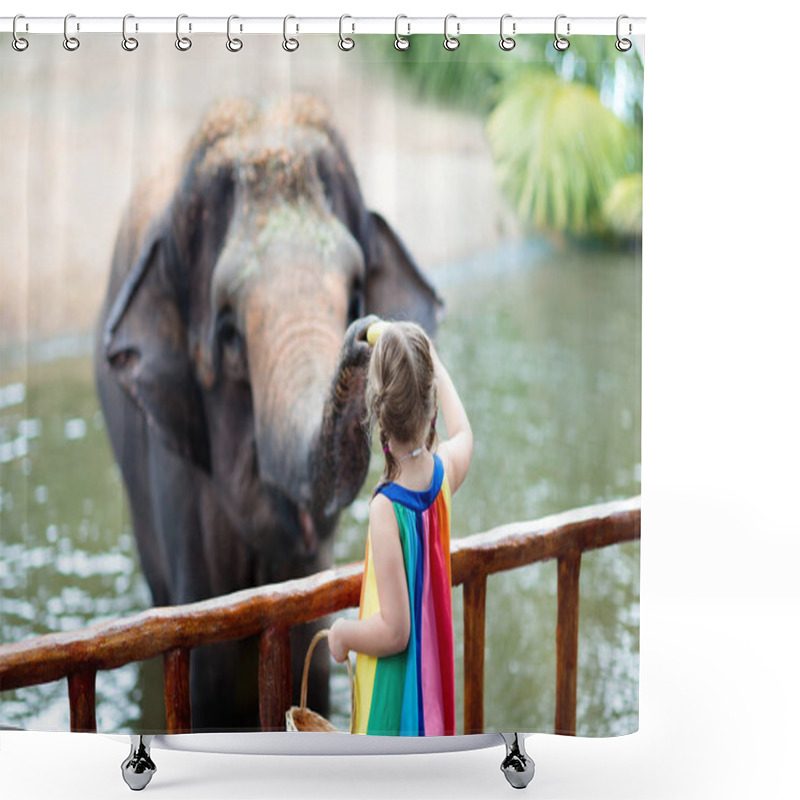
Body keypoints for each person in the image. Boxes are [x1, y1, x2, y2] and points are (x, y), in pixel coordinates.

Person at [328, 321, 473, 736]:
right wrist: (434, 359)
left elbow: (395, 631)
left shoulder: (386, 509)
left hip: (393, 706)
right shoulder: (442, 477)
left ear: (377, 414)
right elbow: (463, 432)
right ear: (432, 410)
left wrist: (342, 634)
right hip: (432, 695)